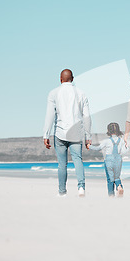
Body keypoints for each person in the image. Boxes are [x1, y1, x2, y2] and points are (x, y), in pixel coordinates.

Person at [43, 69, 91, 197]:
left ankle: (62, 192)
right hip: (76, 132)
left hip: (60, 133)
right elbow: (86, 116)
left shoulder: (53, 93)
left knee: (62, 164)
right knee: (78, 160)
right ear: (73, 78)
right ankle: (81, 188)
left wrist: (46, 134)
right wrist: (88, 136)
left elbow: (50, 115)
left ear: (60, 79)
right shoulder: (81, 93)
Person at [89, 123, 127, 198]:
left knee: (110, 179)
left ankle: (111, 195)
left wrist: (89, 146)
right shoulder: (122, 141)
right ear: (118, 130)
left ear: (108, 131)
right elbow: (123, 151)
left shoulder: (106, 141)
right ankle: (119, 186)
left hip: (109, 161)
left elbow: (98, 148)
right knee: (117, 177)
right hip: (118, 160)